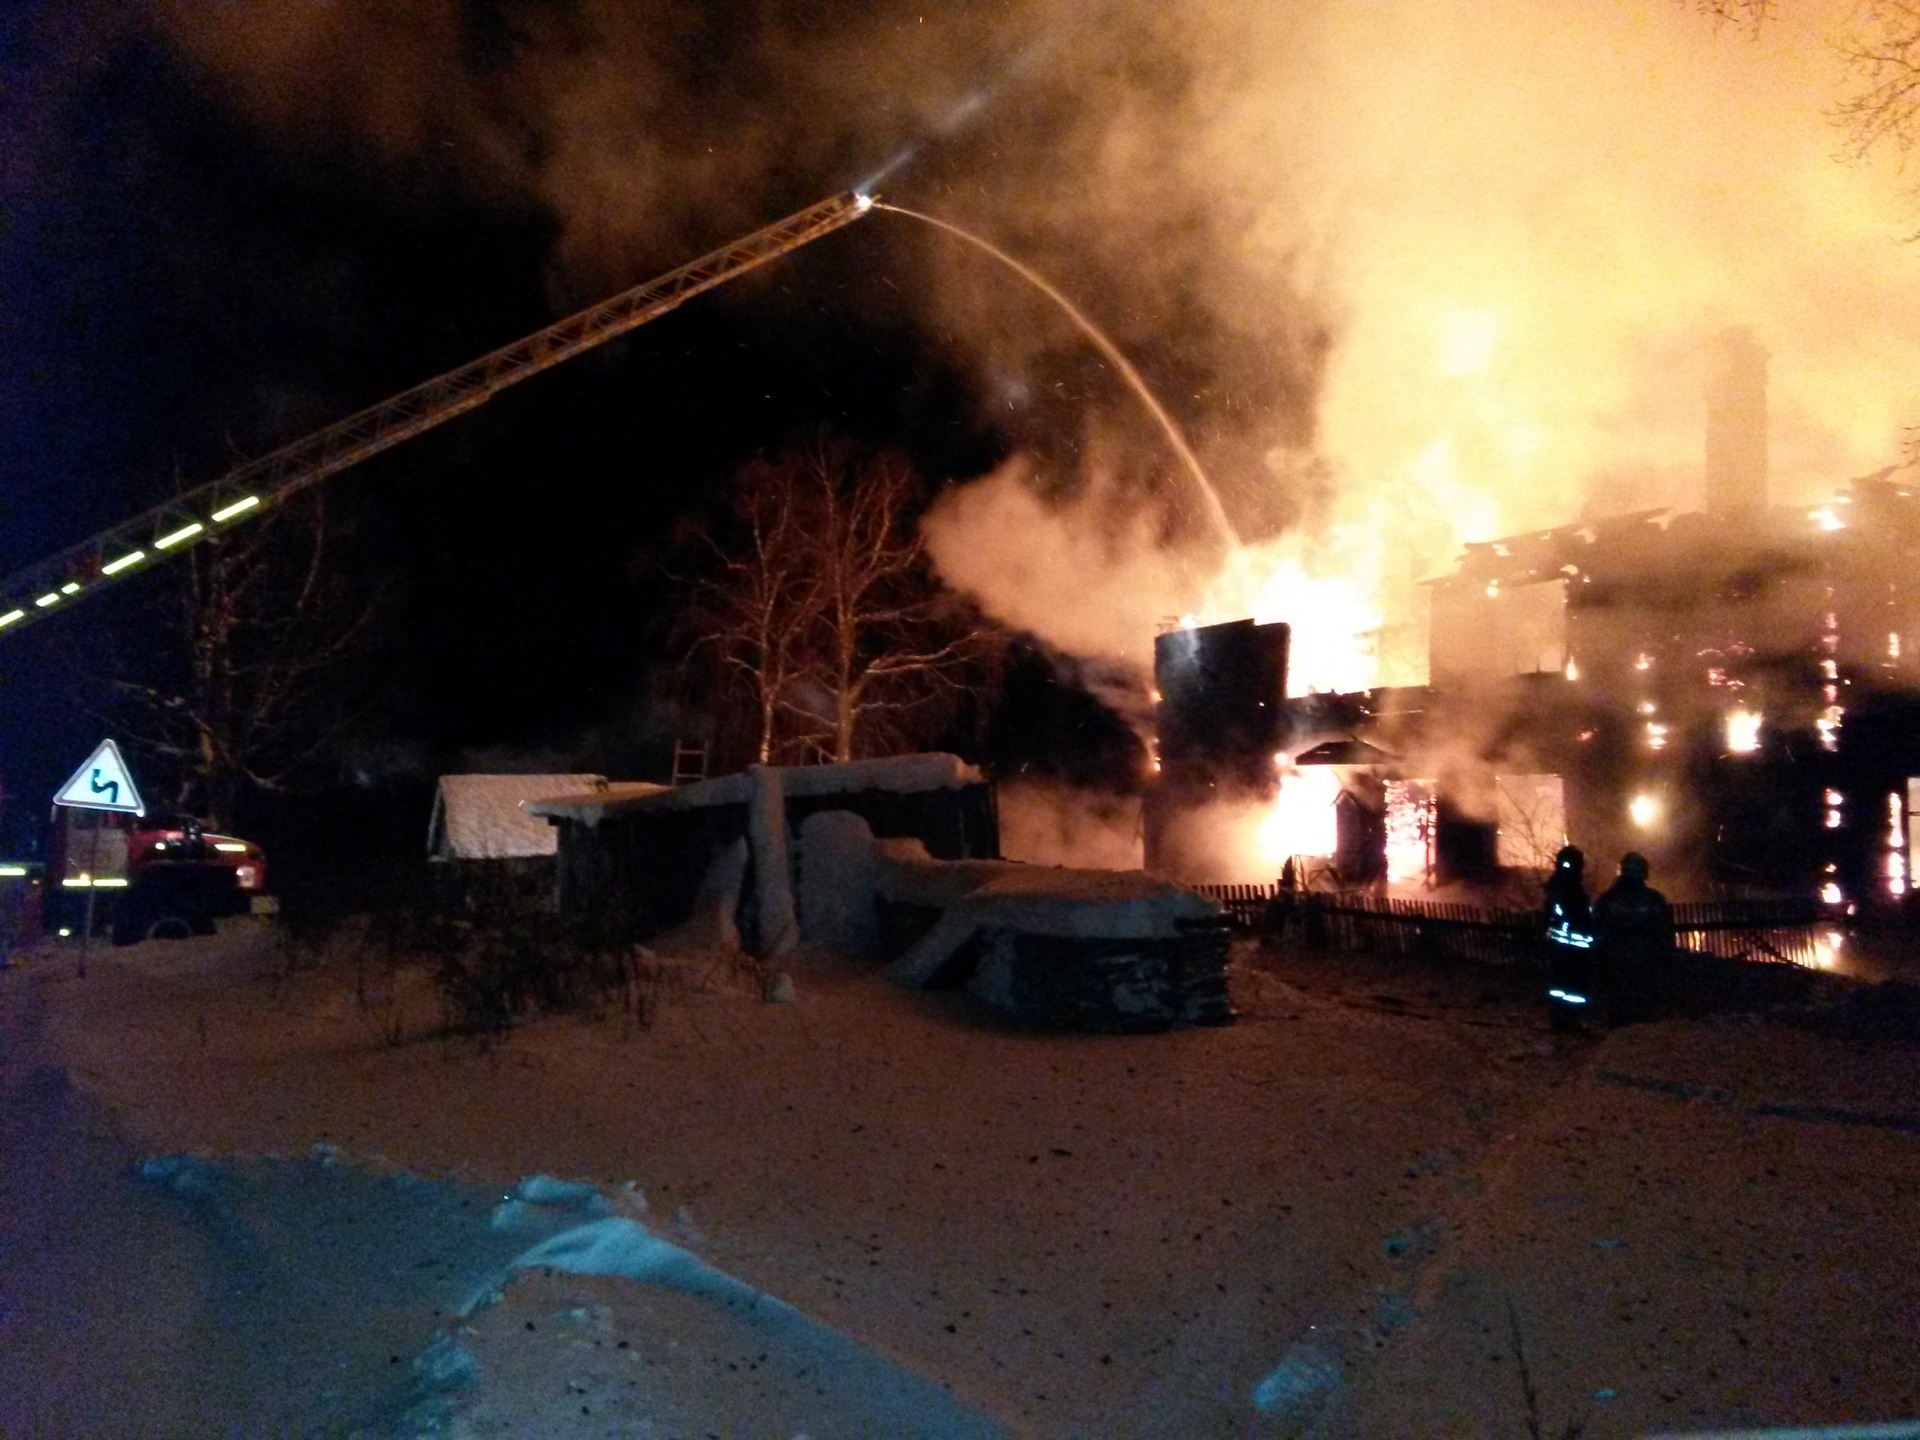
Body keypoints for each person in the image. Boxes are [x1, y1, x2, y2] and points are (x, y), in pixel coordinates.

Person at [1593, 851, 1674, 1026]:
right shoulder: (1654, 899)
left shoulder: (1608, 899)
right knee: (1643, 1003)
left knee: (1619, 1001)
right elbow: (1664, 931)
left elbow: (1598, 929)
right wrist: (1666, 956)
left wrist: (1600, 957)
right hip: (1645, 959)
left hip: (1617, 960)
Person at [1543, 844, 1596, 1032]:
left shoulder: (1557, 887)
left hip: (1559, 946)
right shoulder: (1570, 890)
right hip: (1573, 947)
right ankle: (1572, 1020)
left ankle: (1558, 1019)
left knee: (1559, 985)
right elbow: (1577, 917)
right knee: (1574, 987)